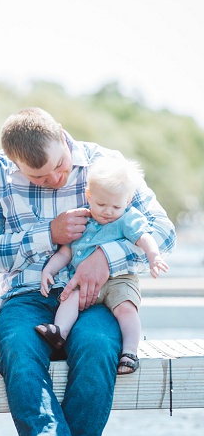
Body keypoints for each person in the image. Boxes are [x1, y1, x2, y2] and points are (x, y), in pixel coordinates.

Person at [0, 107, 175, 436]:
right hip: (29, 295)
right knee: (20, 356)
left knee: (99, 350)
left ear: (63, 138)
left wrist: (106, 257)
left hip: (93, 297)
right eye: (40, 179)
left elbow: (162, 230)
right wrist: (49, 234)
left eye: (60, 168)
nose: (56, 180)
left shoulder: (106, 164)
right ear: (15, 165)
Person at [35, 153, 169, 374]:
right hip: (86, 284)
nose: (108, 211)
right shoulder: (83, 222)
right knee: (69, 297)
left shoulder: (127, 218)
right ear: (89, 195)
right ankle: (60, 332)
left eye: (116, 206)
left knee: (126, 309)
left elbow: (145, 237)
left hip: (119, 280)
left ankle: (130, 352)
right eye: (101, 204)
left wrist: (153, 256)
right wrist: (48, 270)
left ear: (126, 201)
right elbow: (66, 252)